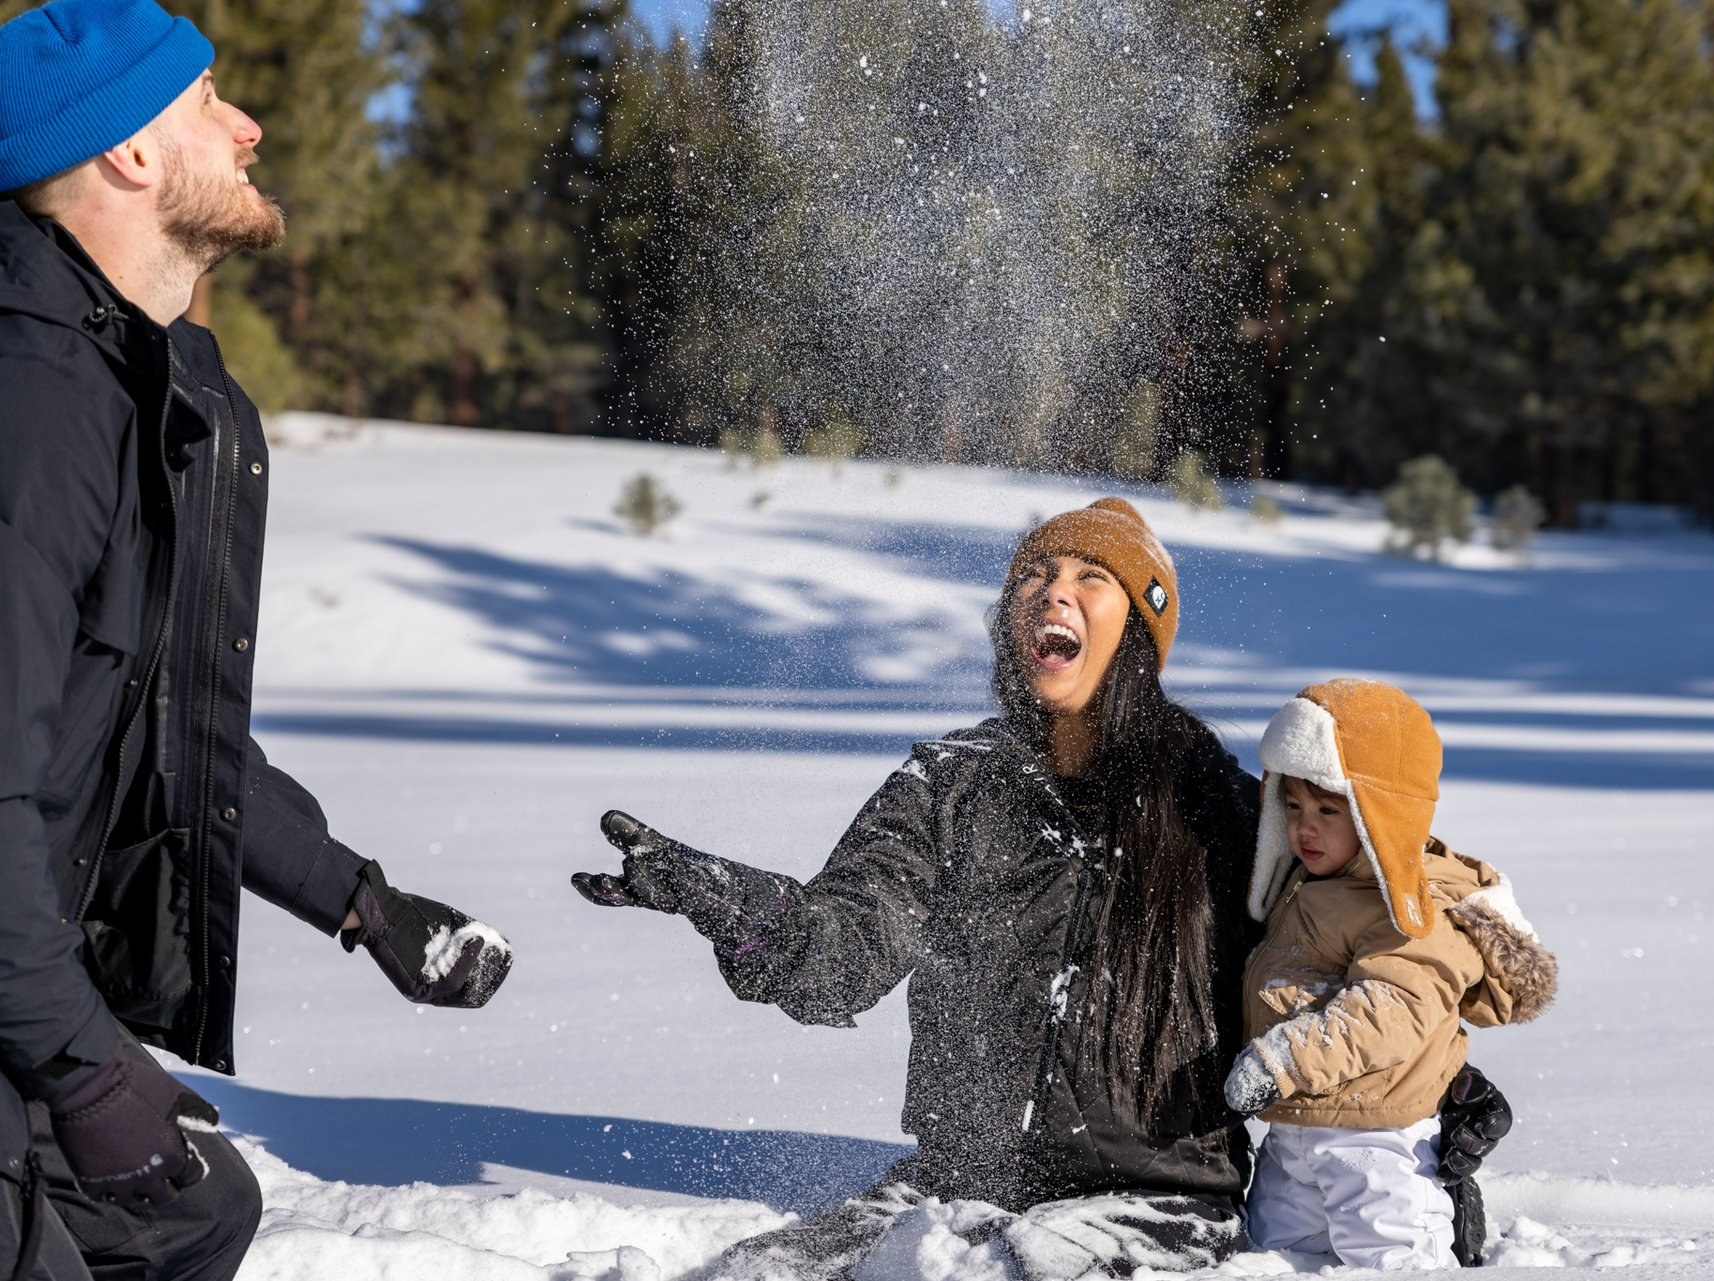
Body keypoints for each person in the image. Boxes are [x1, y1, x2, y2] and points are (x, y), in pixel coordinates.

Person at [573, 499, 1512, 1279]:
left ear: (1138, 630)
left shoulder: (1218, 805)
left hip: (1160, 1203)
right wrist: (750, 918)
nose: (1051, 591)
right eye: (1032, 576)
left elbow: (1353, 938)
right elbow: (847, 953)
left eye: (1088, 578)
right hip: (954, 1182)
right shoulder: (948, 784)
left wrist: (1433, 1101)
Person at [0, 2, 514, 1277]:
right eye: (208, 101)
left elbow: (156, 730)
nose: (249, 123)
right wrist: (78, 1061)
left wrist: (360, 899)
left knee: (192, 1212)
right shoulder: (32, 405)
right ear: (125, 153)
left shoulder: (130, 391)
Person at [1223, 680, 1558, 1269]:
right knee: (1276, 1258)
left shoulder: (1409, 904)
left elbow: (1394, 1008)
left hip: (1375, 1137)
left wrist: (1284, 1060)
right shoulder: (1310, 884)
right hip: (1295, 1130)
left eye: (1329, 809)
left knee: (1392, 1258)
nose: (1305, 828)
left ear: (1382, 813)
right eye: (1294, 806)